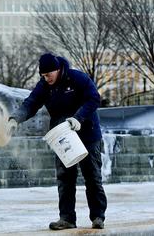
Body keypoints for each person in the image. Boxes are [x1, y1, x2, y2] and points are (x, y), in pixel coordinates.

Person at [9, 53, 107, 230]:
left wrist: (79, 118)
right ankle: (67, 218)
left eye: (48, 75)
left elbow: (94, 98)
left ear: (57, 69)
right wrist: (15, 119)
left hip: (87, 132)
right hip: (62, 135)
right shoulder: (45, 86)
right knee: (65, 178)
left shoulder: (77, 78)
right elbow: (31, 103)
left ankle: (98, 216)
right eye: (43, 76)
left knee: (92, 176)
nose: (46, 79)